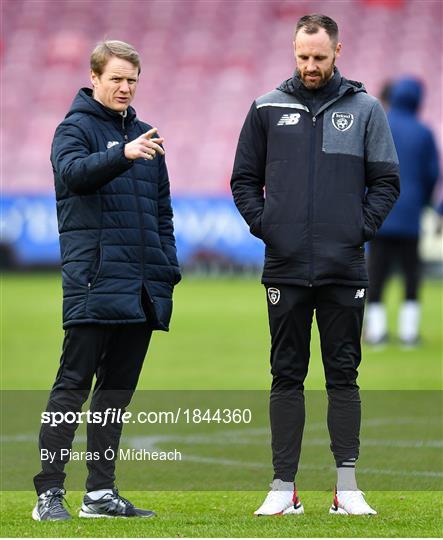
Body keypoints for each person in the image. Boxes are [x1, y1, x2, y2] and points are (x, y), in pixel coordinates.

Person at [231, 14, 399, 516]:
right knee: (286, 375)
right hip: (284, 268)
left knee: (343, 376)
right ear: (294, 50)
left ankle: (346, 488)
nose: (309, 65)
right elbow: (243, 180)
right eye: (302, 56)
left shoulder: (366, 109)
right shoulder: (265, 108)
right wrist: (269, 227)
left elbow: (388, 181)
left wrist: (357, 229)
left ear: (338, 51)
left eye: (319, 57)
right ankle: (284, 489)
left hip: (344, 267)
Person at [32, 40, 181, 521]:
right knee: (71, 388)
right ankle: (48, 494)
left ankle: (100, 494)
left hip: (140, 288)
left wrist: (166, 267)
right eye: (116, 78)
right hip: (95, 282)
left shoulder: (146, 135)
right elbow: (74, 176)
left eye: (132, 79)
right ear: (94, 77)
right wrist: (122, 153)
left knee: (115, 395)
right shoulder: (72, 129)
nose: (125, 87)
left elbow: (162, 214)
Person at [365, 76, 440, 347]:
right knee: (411, 274)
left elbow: (365, 167)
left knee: (376, 273)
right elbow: (433, 174)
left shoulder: (378, 125)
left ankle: (377, 332)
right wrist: (424, 201)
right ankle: (409, 334)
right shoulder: (423, 131)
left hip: (378, 214)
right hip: (410, 218)